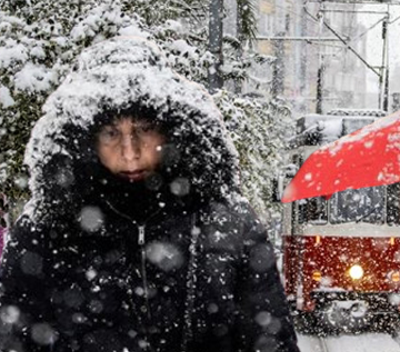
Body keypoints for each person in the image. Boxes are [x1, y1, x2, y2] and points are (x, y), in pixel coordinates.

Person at [0, 37, 299, 352]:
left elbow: (271, 341)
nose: (130, 153)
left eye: (143, 128)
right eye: (111, 133)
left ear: (171, 128)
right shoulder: (44, 231)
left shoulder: (229, 223)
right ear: (85, 139)